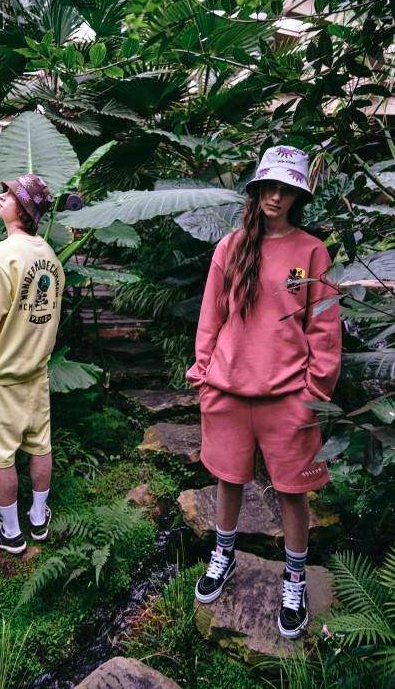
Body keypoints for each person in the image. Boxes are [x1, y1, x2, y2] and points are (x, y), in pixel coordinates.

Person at [186, 144, 341, 638]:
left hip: (289, 397)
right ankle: (223, 554)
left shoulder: (311, 252)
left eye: (286, 189)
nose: (276, 197)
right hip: (228, 390)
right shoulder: (230, 248)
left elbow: (324, 329)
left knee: (293, 491)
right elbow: (211, 316)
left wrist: (314, 391)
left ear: (299, 196)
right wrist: (203, 374)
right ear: (255, 190)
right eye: (268, 187)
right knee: (228, 479)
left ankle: (294, 577)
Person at [0, 174, 64, 554]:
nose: (1, 196)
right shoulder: (49, 256)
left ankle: (11, 532)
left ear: (24, 209)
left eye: (10, 194)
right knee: (39, 445)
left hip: (1, 377)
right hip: (36, 374)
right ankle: (38, 518)